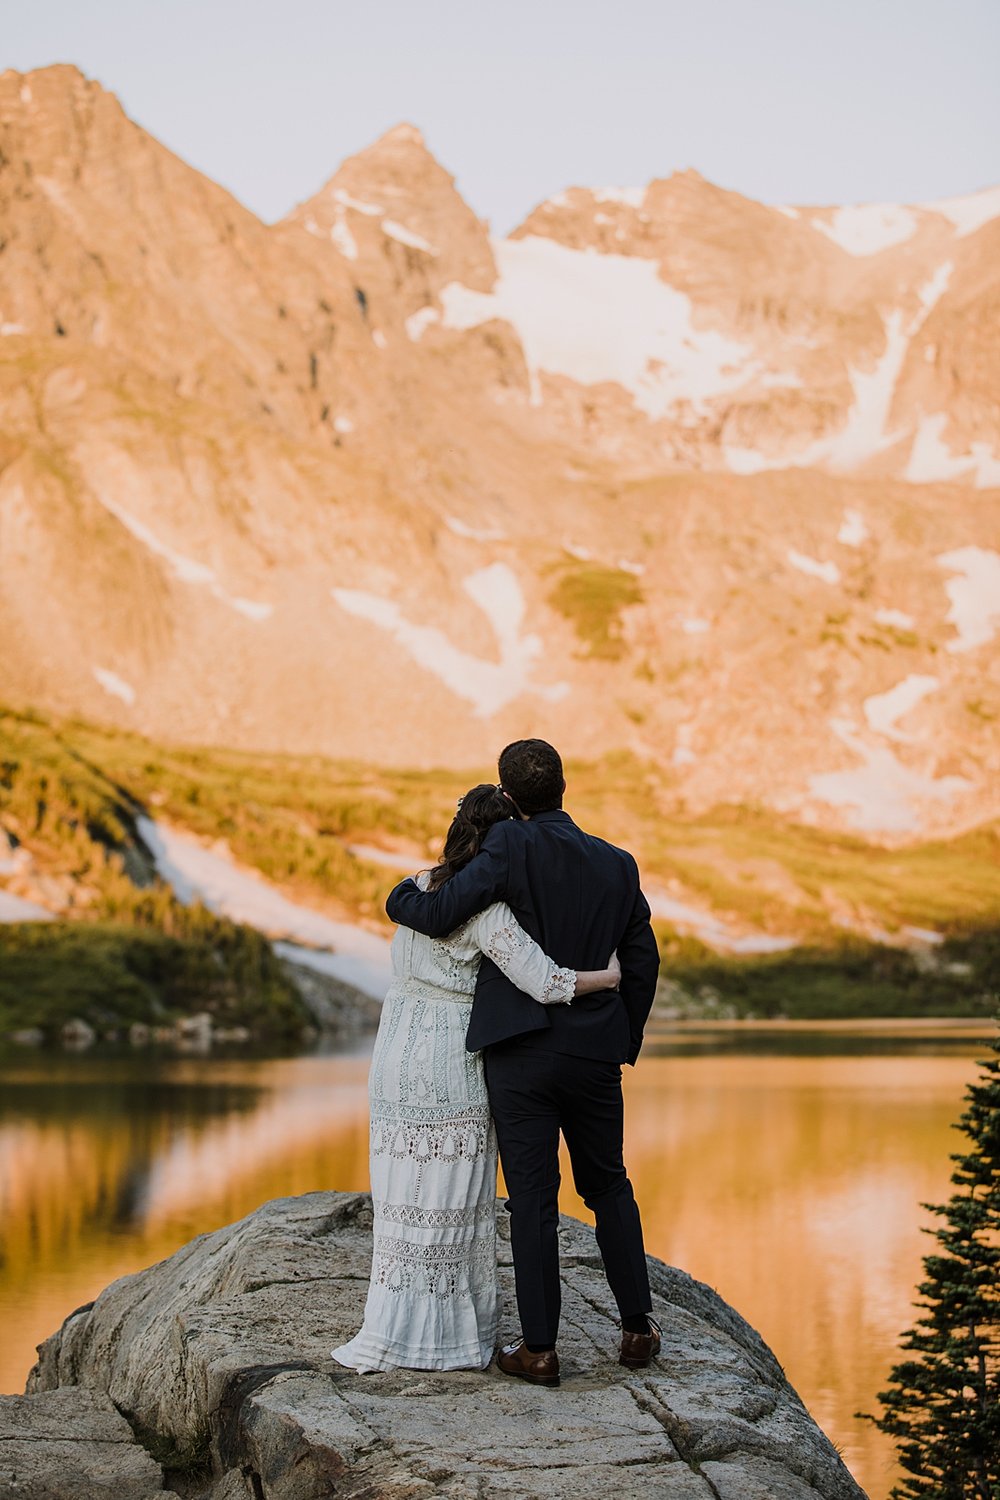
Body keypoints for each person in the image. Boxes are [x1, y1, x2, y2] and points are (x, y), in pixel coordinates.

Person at [386, 739, 661, 1387]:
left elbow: (443, 911)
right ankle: (637, 1329)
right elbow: (642, 961)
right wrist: (622, 1039)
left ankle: (539, 1350)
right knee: (609, 1185)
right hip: (595, 1054)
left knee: (533, 1200)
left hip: (521, 1053)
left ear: (509, 797)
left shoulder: (509, 846)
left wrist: (400, 897)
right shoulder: (618, 863)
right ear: (563, 787)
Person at [332, 783, 620, 1374]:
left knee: (402, 1192)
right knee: (450, 1197)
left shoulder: (417, 887)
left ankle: (393, 1323)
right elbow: (547, 982)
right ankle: (444, 1337)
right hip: (449, 1059)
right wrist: (607, 978)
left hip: (395, 1056)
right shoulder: (489, 913)